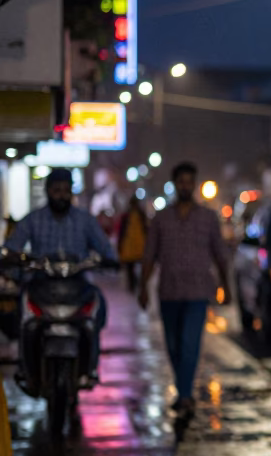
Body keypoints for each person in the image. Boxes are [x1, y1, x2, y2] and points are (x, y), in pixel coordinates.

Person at [4, 168, 117, 381]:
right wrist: (12, 259)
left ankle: (90, 368)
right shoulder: (33, 219)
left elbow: (106, 249)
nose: (61, 195)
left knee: (97, 309)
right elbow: (12, 247)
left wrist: (108, 260)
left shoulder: (85, 220)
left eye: (66, 190)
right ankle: (25, 368)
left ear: (72, 192)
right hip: (40, 283)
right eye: (57, 190)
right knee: (23, 315)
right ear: (48, 191)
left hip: (78, 284)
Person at [138, 162, 232, 415]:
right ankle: (183, 390)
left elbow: (220, 255)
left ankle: (185, 394)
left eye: (189, 182)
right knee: (173, 345)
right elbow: (149, 256)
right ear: (175, 184)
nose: (185, 187)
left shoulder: (208, 218)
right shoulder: (161, 219)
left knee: (190, 343)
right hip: (168, 291)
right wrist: (142, 287)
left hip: (198, 292)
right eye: (181, 182)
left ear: (194, 185)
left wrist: (226, 286)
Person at [117, 195, 148, 294]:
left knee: (133, 268)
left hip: (134, 246)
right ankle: (134, 285)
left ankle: (135, 284)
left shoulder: (135, 215)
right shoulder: (134, 215)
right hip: (135, 246)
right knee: (133, 268)